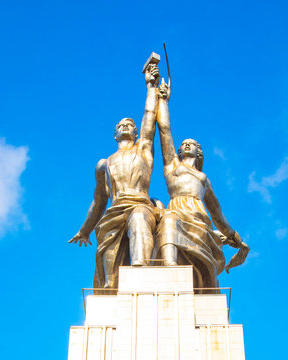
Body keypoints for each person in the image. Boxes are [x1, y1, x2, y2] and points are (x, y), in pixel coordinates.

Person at [69, 63, 160, 289]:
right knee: (110, 281)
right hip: (113, 212)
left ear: (136, 132)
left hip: (140, 204)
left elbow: (149, 117)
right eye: (121, 125)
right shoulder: (104, 164)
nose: (126, 126)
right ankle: (112, 291)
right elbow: (99, 201)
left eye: (130, 124)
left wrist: (151, 87)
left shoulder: (144, 152)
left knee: (139, 218)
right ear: (115, 133)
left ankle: (141, 273)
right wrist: (85, 230)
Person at [155, 80, 248, 289]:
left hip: (199, 219)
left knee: (205, 273)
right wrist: (163, 100)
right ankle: (169, 267)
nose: (186, 144)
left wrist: (232, 234)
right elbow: (164, 130)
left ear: (199, 153)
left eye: (193, 144)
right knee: (169, 219)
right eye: (183, 144)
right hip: (177, 211)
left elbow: (217, 213)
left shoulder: (203, 179)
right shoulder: (172, 167)